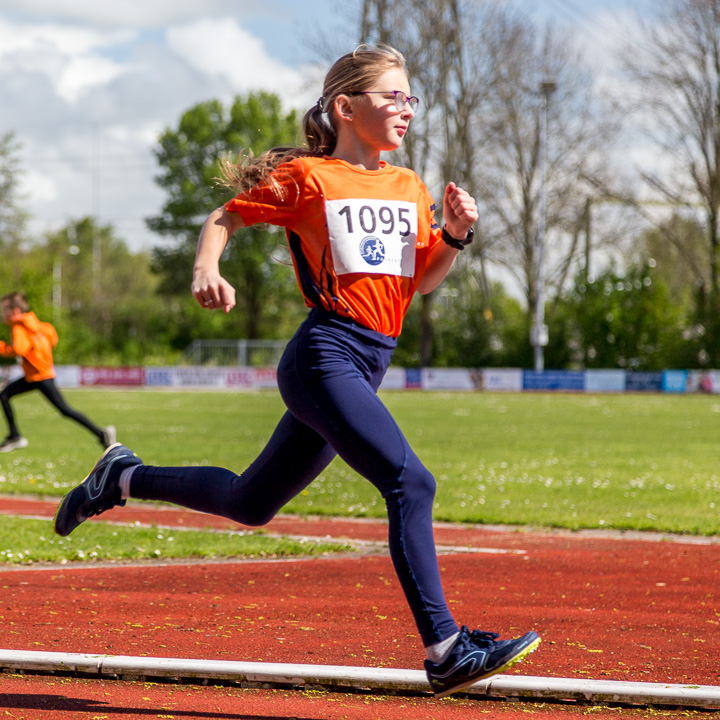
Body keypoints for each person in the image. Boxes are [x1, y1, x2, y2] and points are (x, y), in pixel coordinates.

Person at [54, 45, 540, 697]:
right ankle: (446, 648)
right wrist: (207, 267)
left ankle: (122, 477)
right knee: (411, 483)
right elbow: (224, 217)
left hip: (367, 362)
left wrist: (451, 236)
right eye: (392, 97)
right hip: (324, 356)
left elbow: (420, 283)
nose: (406, 108)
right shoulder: (310, 179)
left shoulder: (408, 185)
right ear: (345, 107)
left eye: (410, 98)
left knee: (251, 502)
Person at [0, 291, 116, 452]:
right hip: (39, 374)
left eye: (3, 311)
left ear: (15, 312)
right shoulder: (37, 324)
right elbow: (52, 338)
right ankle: (14, 436)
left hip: (39, 376)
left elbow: (19, 349)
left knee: (64, 410)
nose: (2, 315)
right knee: (5, 395)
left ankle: (102, 434)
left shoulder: (19, 327)